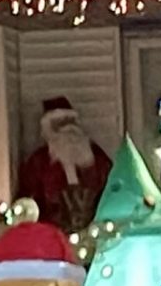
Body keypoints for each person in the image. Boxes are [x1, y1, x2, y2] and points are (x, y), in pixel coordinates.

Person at [16, 96, 113, 232]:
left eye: (71, 122)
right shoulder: (39, 163)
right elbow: (27, 202)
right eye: (60, 124)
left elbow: (113, 188)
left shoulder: (97, 157)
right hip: (52, 239)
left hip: (95, 235)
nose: (68, 129)